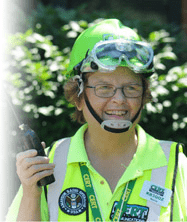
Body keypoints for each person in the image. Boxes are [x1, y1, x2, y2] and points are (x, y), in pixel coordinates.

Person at [6, 19, 187, 222]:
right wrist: (31, 193)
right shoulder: (49, 164)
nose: (119, 99)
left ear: (144, 96)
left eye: (131, 88)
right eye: (104, 88)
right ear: (79, 96)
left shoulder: (174, 165)